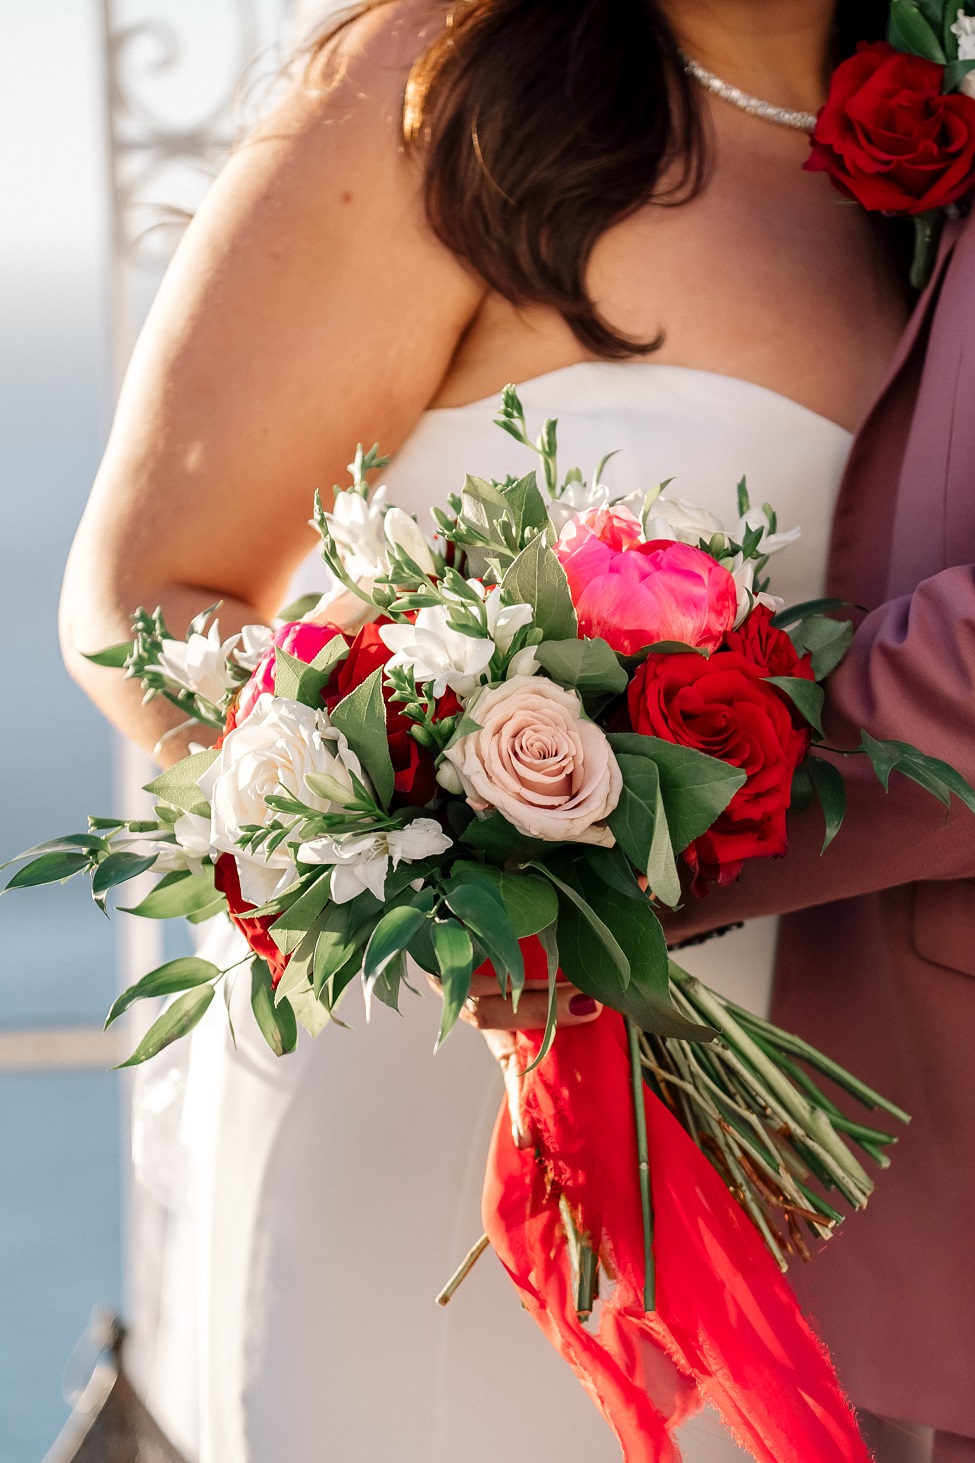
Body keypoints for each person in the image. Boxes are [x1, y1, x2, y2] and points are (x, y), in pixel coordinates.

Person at [58, 0, 931, 1458]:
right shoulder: (439, 86)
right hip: (442, 1063)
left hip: (814, 1128)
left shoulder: (929, 166)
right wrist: (443, 818)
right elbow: (142, 602)